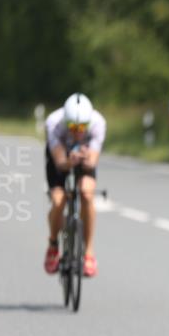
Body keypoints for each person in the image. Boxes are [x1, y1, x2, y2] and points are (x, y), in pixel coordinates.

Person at [43, 93, 106, 278]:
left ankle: (89, 252)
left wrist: (85, 159)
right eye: (73, 126)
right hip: (61, 157)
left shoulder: (98, 122)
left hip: (83, 157)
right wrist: (69, 161)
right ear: (66, 122)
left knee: (87, 193)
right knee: (58, 200)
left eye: (82, 127)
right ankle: (53, 245)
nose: (78, 131)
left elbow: (92, 162)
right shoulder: (54, 122)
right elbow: (60, 162)